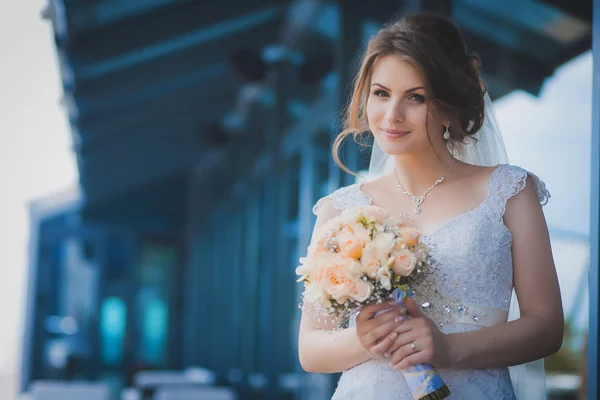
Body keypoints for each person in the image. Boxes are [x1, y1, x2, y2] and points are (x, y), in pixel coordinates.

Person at [297, 13, 564, 399]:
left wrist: (450, 349)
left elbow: (547, 327)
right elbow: (310, 349)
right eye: (381, 93)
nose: (392, 116)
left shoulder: (510, 191)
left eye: (415, 97)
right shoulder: (340, 210)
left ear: (447, 102)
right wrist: (363, 340)